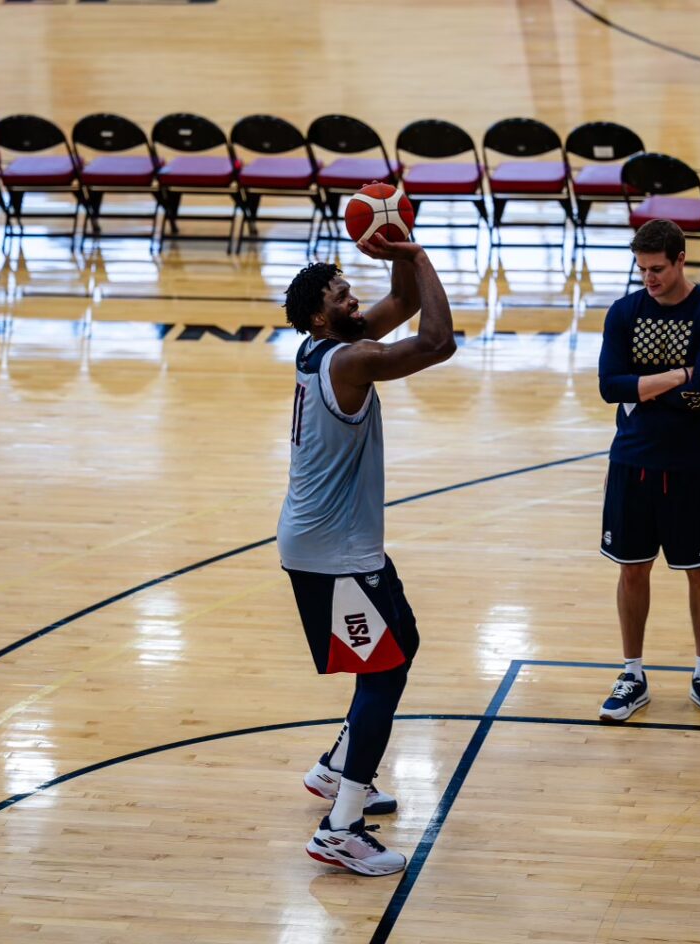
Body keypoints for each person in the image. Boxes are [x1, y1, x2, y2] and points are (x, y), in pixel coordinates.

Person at [277, 233, 455, 875]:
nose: (357, 299)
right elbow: (438, 342)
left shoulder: (320, 344)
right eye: (344, 294)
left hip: (341, 545)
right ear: (326, 317)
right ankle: (341, 826)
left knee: (401, 643)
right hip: (332, 555)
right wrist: (423, 257)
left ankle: (335, 770)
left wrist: (403, 251)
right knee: (383, 672)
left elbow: (404, 300)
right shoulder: (348, 361)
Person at [597, 219, 700, 722]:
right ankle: (633, 674)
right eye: (642, 270)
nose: (649, 279)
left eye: (658, 269)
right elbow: (609, 386)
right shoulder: (624, 311)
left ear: (681, 260)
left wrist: (645, 387)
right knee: (632, 570)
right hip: (630, 461)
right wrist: (677, 374)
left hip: (690, 464)